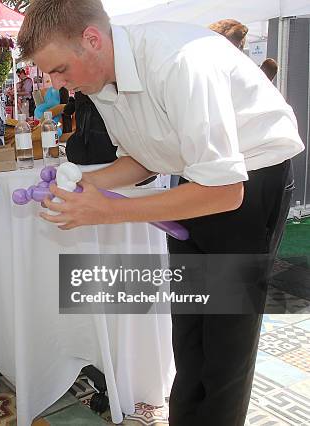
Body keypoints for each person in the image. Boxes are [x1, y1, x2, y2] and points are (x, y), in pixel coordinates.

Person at [17, 1, 304, 425]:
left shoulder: (181, 62)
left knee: (226, 343)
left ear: (91, 41)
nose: (58, 83)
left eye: (60, 69)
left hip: (250, 181)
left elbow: (226, 191)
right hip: (197, 179)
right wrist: (87, 186)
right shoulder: (102, 81)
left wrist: (108, 213)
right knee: (189, 335)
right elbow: (143, 158)